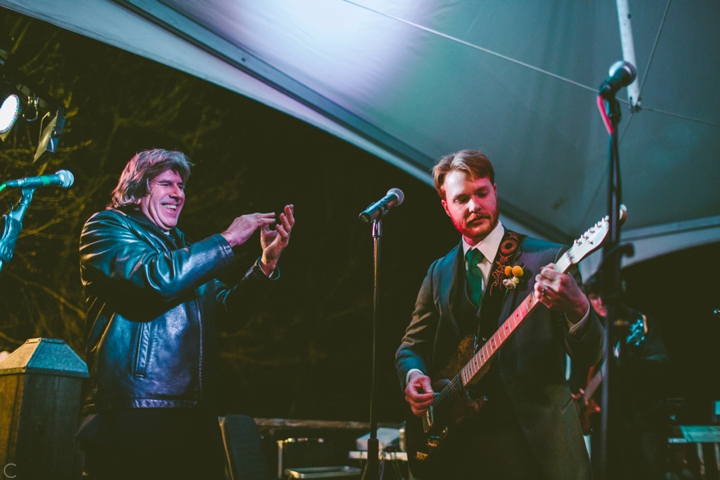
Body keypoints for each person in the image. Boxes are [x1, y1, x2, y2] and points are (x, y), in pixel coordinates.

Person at [76, 149, 295, 480]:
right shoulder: (106, 227)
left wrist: (265, 264)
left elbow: (227, 312)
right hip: (134, 417)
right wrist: (227, 239)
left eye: (181, 186)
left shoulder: (184, 248)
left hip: (194, 423)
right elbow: (154, 279)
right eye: (166, 183)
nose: (178, 194)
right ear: (137, 191)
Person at [396, 150, 603, 479]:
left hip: (537, 448)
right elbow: (410, 347)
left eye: (482, 193)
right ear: (445, 206)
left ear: (495, 190)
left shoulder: (547, 258)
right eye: (462, 198)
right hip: (460, 451)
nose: (475, 206)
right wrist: (413, 376)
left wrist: (578, 305)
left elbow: (590, 352)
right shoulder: (439, 273)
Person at [570, 275, 669, 480]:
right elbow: (577, 376)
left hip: (642, 423)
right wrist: (577, 395)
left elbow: (660, 367)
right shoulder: (590, 328)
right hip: (603, 425)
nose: (601, 302)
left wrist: (627, 361)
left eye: (606, 296)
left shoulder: (639, 324)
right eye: (595, 297)